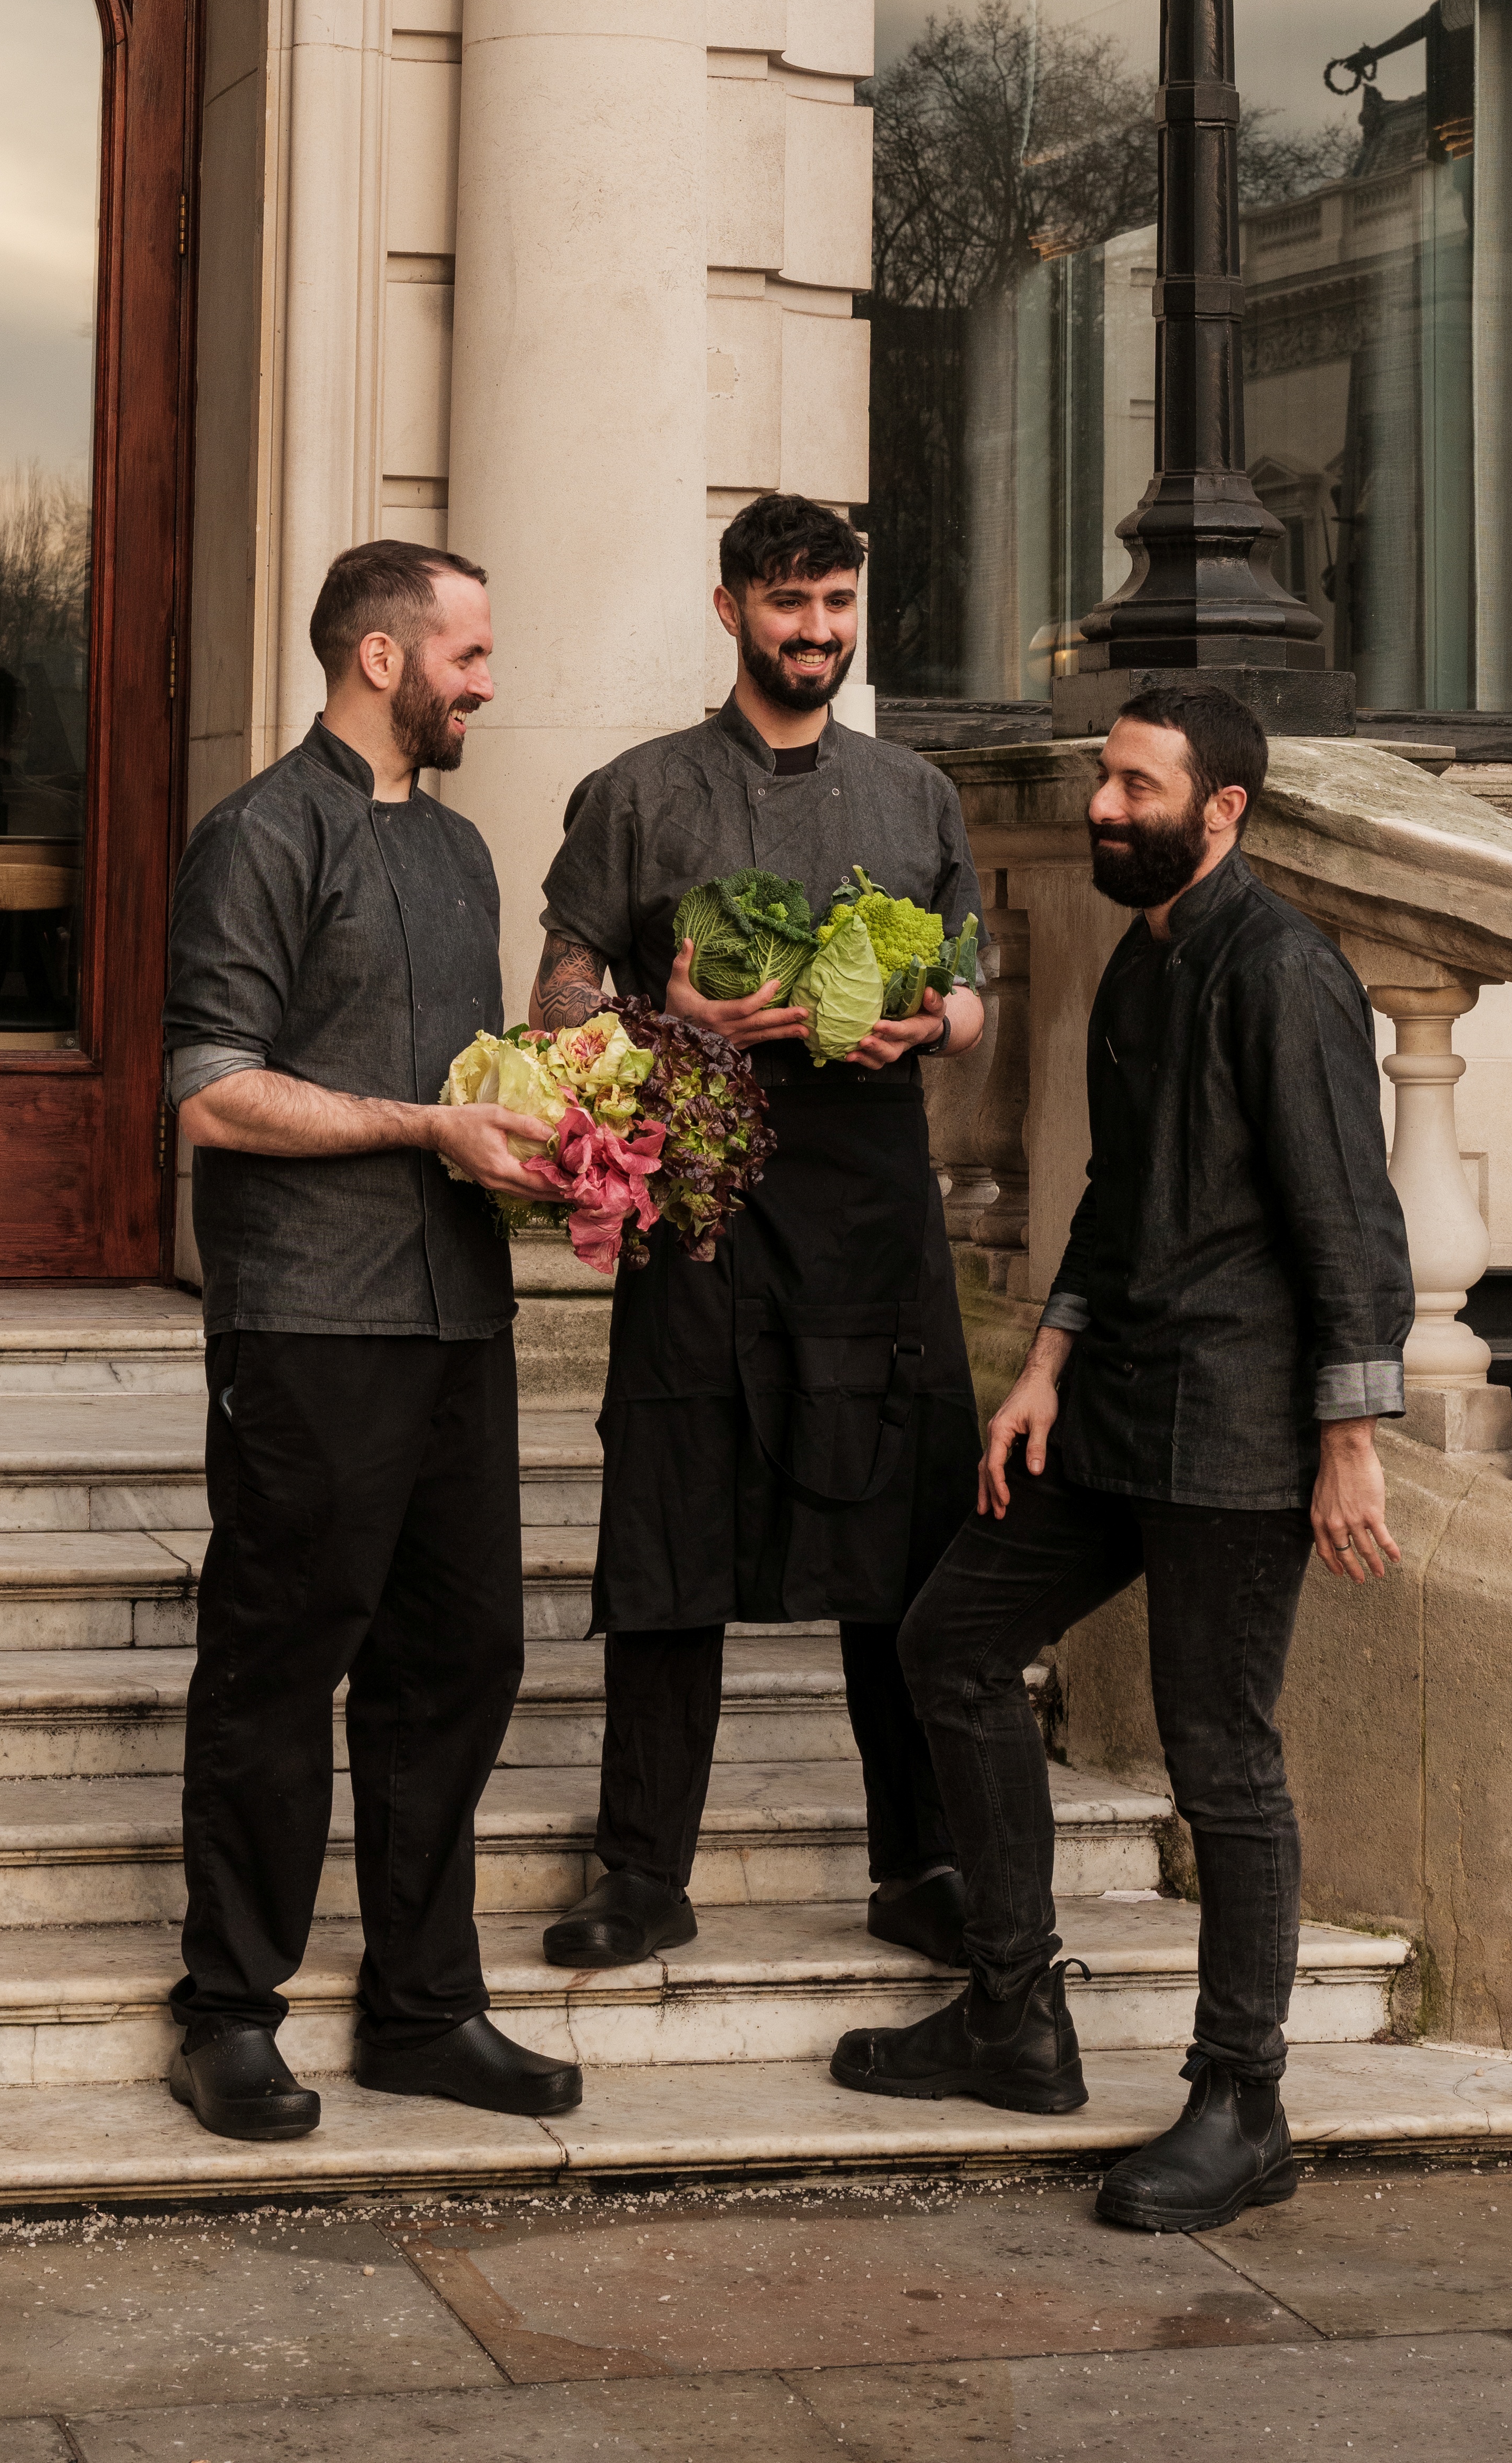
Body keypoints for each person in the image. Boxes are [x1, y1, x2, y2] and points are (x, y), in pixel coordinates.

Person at [829, 676, 1410, 2232]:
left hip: (1237, 1427)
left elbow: (1350, 1220)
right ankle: (1016, 2011)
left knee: (1221, 1757)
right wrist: (1045, 1370)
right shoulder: (1147, 967)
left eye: (1137, 787)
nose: (1103, 804)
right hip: (1114, 1407)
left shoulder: (1285, 974)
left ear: (1222, 810)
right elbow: (1114, 1198)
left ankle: (1244, 2103)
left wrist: (1350, 1439)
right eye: (1106, 778)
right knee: (949, 1642)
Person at [159, 540, 584, 2145]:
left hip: (458, 1314)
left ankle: (422, 2007)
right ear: (385, 659)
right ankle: (229, 2011)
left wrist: (565, 1133)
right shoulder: (261, 834)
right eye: (468, 654)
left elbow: (467, 1081)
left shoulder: (467, 856)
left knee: (460, 1660)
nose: (489, 680)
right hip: (310, 1322)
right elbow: (211, 1086)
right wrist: (427, 1126)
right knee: (279, 1666)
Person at [531, 493, 990, 1981]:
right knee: (672, 1528)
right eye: (791, 605)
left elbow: (976, 999)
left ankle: (920, 1863)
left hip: (876, 1213)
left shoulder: (916, 795)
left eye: (840, 605)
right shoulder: (640, 792)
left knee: (912, 1544)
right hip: (706, 1208)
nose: (818, 633)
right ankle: (642, 1871)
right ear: (728, 609)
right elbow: (556, 992)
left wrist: (930, 1019)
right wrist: (669, 1020)